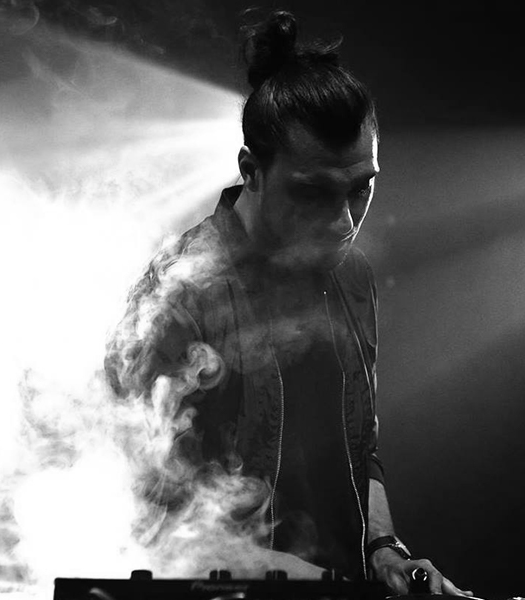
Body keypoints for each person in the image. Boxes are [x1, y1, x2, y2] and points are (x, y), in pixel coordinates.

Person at [105, 10, 472, 597]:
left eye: (361, 188)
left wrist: (382, 549)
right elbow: (147, 517)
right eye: (313, 192)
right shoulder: (177, 294)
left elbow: (361, 449)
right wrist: (300, 581)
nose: (344, 222)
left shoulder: (353, 277)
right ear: (251, 170)